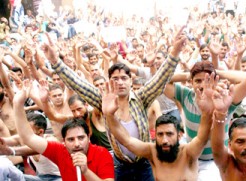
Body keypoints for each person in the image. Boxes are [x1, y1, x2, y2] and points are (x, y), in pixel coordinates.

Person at [41, 26, 187, 181]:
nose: (120, 82)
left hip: (144, 163)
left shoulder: (141, 98)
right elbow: (78, 84)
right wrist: (55, 61)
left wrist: (175, 52)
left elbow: (160, 79)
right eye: (115, 79)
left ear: (131, 81)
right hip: (120, 164)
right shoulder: (102, 100)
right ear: (109, 81)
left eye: (124, 78)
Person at [102, 71, 231, 180]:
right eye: (160, 134)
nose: (164, 140)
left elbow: (202, 137)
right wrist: (109, 115)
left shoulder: (189, 152)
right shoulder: (152, 152)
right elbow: (126, 140)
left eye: (169, 134)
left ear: (179, 135)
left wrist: (207, 112)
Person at [164, 60, 246, 181]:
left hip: (215, 161)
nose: (202, 85)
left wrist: (217, 73)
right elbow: (161, 82)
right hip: (191, 155)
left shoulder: (224, 99)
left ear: (215, 80)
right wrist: (187, 74)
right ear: (191, 82)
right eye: (198, 81)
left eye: (207, 80)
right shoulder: (185, 95)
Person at [13, 80, 114, 181]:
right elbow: (29, 137)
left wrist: (86, 171)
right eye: (70, 139)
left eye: (81, 138)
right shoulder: (60, 151)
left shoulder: (102, 153)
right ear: (64, 141)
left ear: (88, 137)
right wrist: (18, 103)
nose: (77, 144)